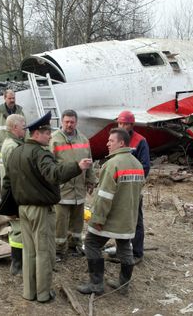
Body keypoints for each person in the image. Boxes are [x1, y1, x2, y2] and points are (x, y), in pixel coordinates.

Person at [3, 111, 93, 303]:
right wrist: (77, 167)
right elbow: (54, 174)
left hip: (23, 210)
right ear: (36, 133)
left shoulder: (17, 151)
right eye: (46, 133)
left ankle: (29, 292)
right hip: (40, 211)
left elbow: (7, 182)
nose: (50, 136)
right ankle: (43, 293)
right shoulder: (40, 153)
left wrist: (9, 209)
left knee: (29, 252)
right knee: (43, 252)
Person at [77, 128, 145, 295]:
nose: (107, 144)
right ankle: (123, 285)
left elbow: (104, 196)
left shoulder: (112, 164)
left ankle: (96, 285)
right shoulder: (137, 164)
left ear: (121, 143)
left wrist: (98, 219)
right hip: (128, 218)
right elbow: (138, 192)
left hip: (110, 218)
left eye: (111, 141)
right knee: (124, 248)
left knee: (92, 244)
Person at [50, 110, 95, 261]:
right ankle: (58, 250)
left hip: (79, 189)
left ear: (76, 122)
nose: (69, 125)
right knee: (60, 222)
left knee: (77, 221)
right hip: (62, 189)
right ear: (62, 122)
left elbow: (90, 162)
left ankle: (74, 245)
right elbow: (49, 166)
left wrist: (90, 180)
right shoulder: (54, 140)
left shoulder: (83, 139)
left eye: (72, 122)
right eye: (67, 122)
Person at [117, 110, 150, 264]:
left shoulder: (140, 141)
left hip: (133, 188)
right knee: (120, 219)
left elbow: (145, 166)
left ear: (131, 125)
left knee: (136, 220)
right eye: (120, 123)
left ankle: (137, 253)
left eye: (125, 123)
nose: (122, 126)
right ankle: (122, 251)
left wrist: (133, 182)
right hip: (119, 187)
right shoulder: (116, 139)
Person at [0, 114, 26, 275]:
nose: (25, 129)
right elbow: (13, 176)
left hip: (15, 193)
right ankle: (17, 265)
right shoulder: (12, 147)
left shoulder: (14, 144)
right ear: (15, 127)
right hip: (14, 194)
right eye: (23, 126)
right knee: (18, 229)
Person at [0, 89, 25, 155]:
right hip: (2, 147)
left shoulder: (20, 112)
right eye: (10, 98)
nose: (12, 100)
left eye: (13, 98)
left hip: (18, 146)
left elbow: (25, 129)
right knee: (2, 164)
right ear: (5, 98)